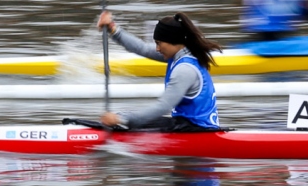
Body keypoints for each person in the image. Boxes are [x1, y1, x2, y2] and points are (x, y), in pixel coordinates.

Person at [96, 10, 224, 132]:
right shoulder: (181, 55)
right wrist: (113, 29)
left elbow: (163, 106)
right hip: (186, 125)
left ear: (172, 40)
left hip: (196, 129)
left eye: (159, 43)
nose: (157, 49)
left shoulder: (185, 70)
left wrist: (121, 119)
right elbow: (143, 48)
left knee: (131, 121)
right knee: (136, 121)